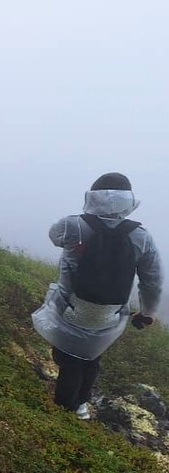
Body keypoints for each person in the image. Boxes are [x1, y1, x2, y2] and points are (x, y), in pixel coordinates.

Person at [32, 173, 162, 419]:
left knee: (68, 358)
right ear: (129, 201)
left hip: (70, 306)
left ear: (92, 196)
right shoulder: (141, 236)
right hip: (110, 314)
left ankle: (63, 412)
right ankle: (81, 405)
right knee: (92, 357)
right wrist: (147, 312)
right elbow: (152, 279)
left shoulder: (74, 225)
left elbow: (53, 235)